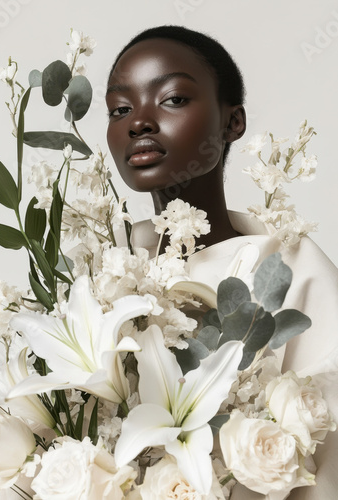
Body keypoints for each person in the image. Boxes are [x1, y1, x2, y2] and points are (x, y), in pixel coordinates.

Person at [106, 25, 338, 500]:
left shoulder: (294, 268)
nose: (139, 123)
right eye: (121, 109)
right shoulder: (101, 270)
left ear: (232, 122)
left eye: (171, 99)